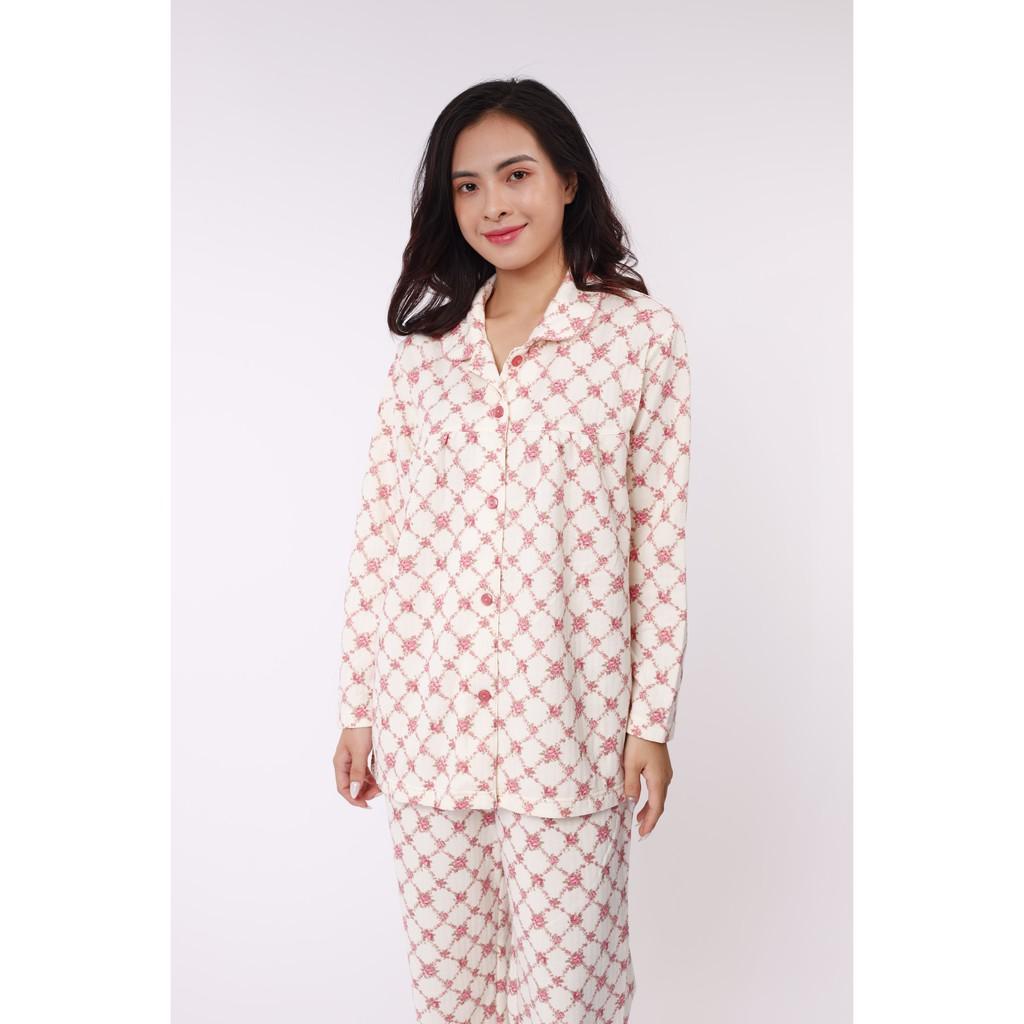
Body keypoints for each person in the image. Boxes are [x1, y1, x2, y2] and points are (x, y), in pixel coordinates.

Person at [331, 77, 691, 1024]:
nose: (493, 203)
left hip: (566, 729)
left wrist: (650, 721)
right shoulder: (427, 358)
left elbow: (658, 545)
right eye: (467, 185)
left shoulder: (640, 340)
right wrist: (359, 708)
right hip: (429, 727)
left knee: (568, 999)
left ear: (568, 181)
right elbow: (380, 539)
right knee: (451, 998)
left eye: (516, 174)